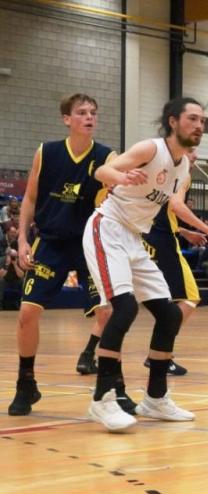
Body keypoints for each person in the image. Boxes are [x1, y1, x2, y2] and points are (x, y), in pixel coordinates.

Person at [82, 96, 208, 431]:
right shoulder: (150, 148)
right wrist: (119, 178)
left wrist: (199, 230)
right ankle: (102, 399)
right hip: (108, 228)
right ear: (173, 121)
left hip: (135, 237)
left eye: (202, 121)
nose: (199, 126)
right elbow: (102, 170)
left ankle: (156, 398)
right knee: (124, 308)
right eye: (193, 119)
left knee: (170, 313)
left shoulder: (183, 166)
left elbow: (174, 204)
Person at [8, 94, 118, 417]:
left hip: (90, 244)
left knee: (108, 313)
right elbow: (30, 199)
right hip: (51, 242)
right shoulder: (47, 152)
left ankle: (110, 387)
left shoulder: (107, 157)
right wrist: (23, 240)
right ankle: (26, 383)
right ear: (66, 119)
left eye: (93, 112)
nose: (89, 117)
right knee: (27, 313)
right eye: (82, 112)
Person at [141, 148, 208, 376]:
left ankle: (91, 353)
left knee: (126, 304)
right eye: (191, 150)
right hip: (164, 242)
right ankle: (160, 353)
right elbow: (177, 206)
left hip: (145, 237)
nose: (195, 156)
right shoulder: (182, 174)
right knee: (189, 298)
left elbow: (160, 211)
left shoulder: (159, 172)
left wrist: (185, 232)